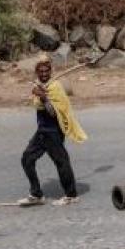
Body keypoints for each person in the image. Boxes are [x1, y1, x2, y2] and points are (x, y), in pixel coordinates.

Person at [19, 58, 88, 206]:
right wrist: (39, 93)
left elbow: (54, 113)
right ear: (37, 72)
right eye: (41, 71)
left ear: (50, 72)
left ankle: (71, 195)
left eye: (46, 71)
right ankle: (36, 194)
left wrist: (44, 98)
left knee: (61, 162)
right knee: (27, 159)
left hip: (53, 132)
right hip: (42, 131)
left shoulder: (55, 87)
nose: (44, 74)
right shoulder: (40, 85)